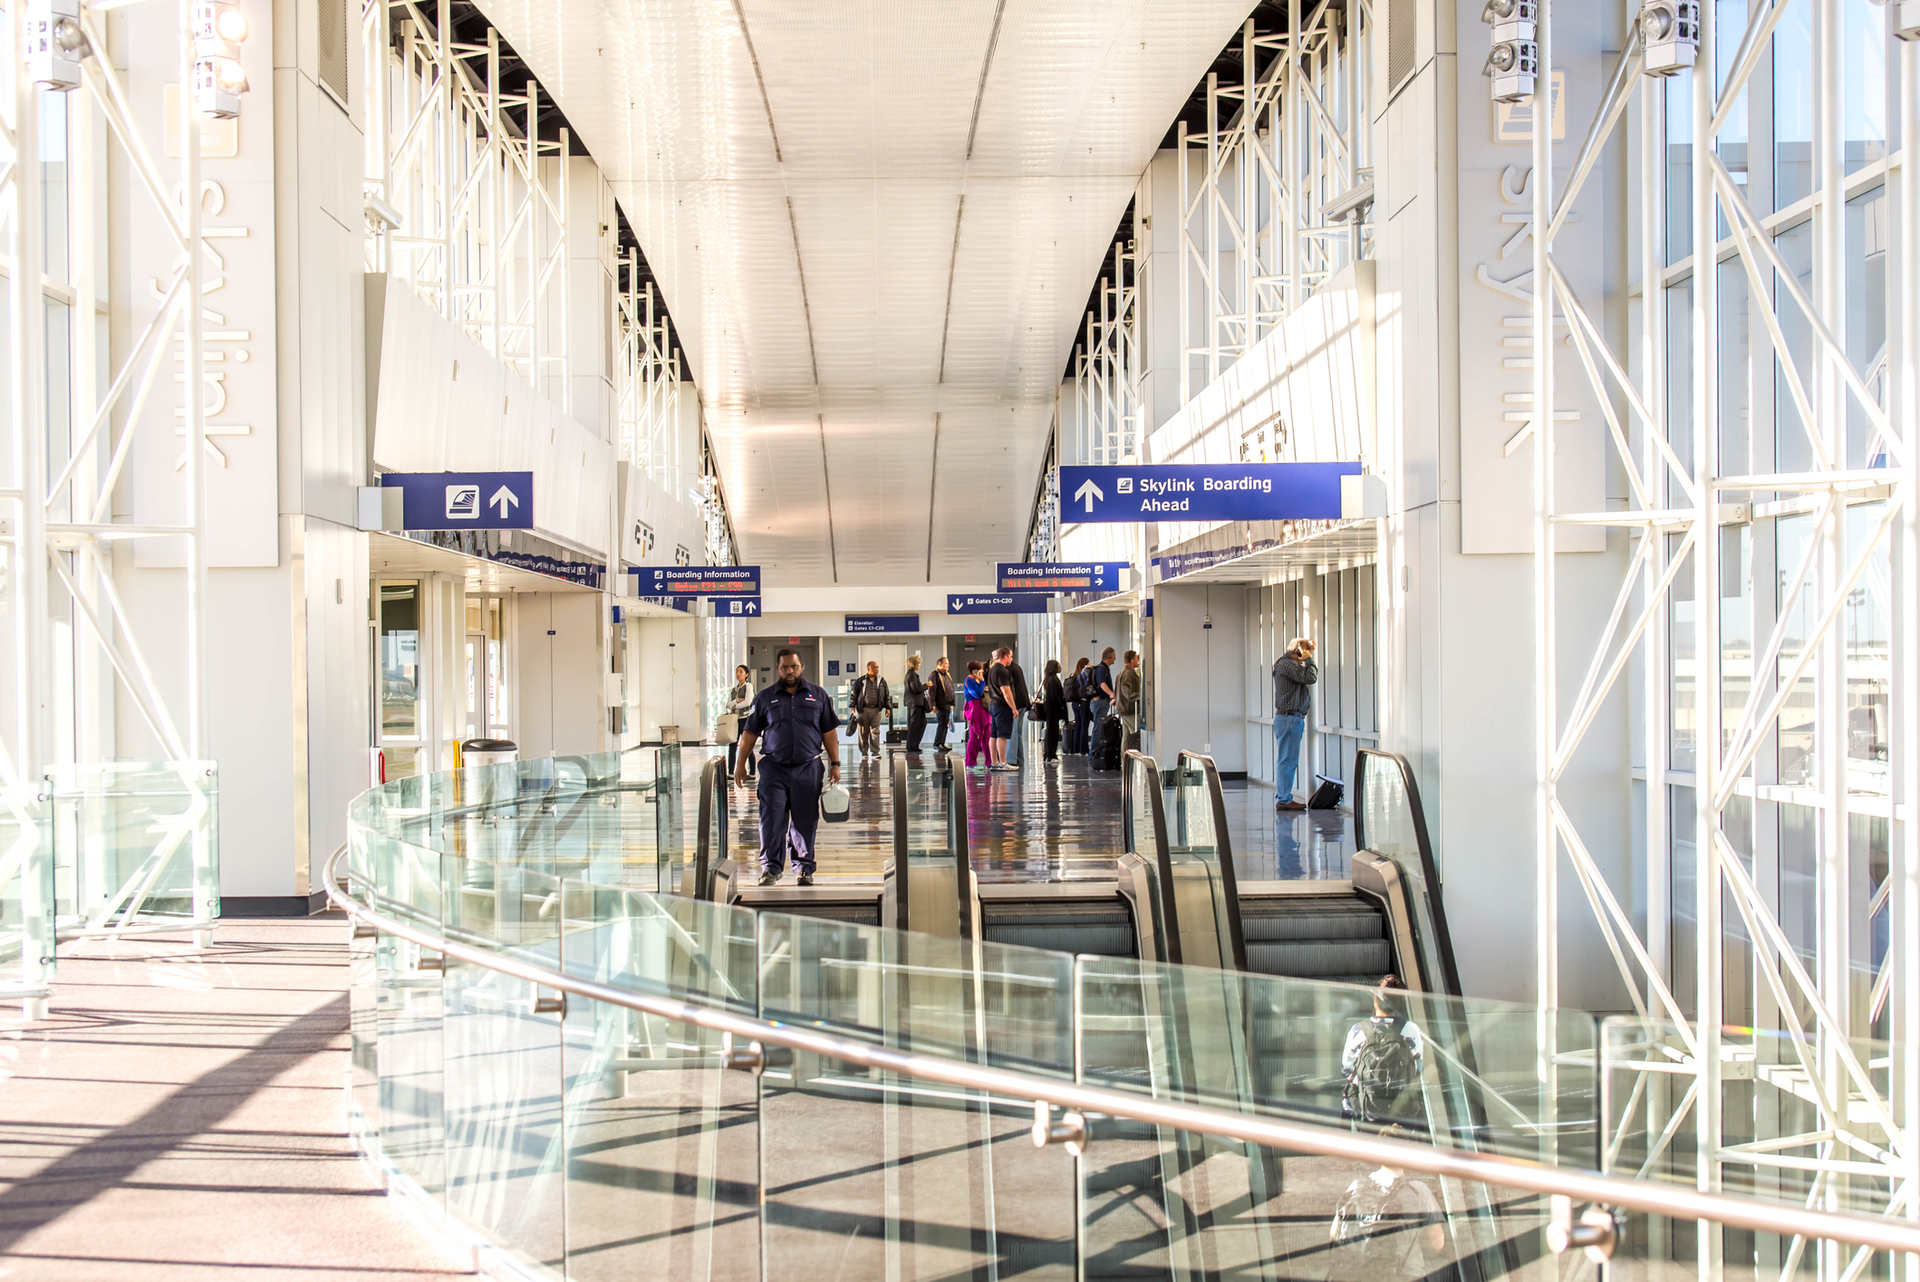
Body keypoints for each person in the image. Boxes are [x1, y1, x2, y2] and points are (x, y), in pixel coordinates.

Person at [733, 649, 841, 886]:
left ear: (801, 666)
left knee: (805, 820)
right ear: (778, 668)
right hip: (774, 770)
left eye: (793, 666)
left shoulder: (818, 695)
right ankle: (771, 868)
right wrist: (740, 764)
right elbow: (750, 733)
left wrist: (835, 764)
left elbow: (829, 732)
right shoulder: (765, 697)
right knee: (771, 819)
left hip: (808, 768)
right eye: (784, 667)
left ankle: (803, 868)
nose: (790, 671)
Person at [1325, 1124, 1448, 1280]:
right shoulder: (1418, 1190)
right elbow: (1437, 1243)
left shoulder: (1356, 1186)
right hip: (1404, 1276)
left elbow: (1334, 1233)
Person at [1341, 975, 1425, 1126]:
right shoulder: (1411, 1030)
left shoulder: (1358, 1030)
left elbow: (1347, 1069)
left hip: (1365, 1110)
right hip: (1400, 1114)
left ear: (1375, 1000)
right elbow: (1417, 1069)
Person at [1273, 636, 1318, 810]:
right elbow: (1311, 677)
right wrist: (1309, 660)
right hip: (1290, 719)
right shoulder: (1288, 665)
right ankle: (1284, 800)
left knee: (1286, 759)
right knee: (1287, 761)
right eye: (1305, 649)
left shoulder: (1284, 664)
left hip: (1288, 719)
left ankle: (1284, 797)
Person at [850, 660, 891, 758]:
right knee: (863, 731)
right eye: (874, 667)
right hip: (863, 710)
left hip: (876, 710)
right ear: (868, 669)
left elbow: (886, 695)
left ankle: (875, 751)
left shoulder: (881, 681)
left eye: (877, 667)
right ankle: (864, 752)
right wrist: (852, 706)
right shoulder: (860, 681)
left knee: (875, 731)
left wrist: (888, 707)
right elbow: (854, 694)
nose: (876, 669)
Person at [987, 646, 1020, 771]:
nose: (1011, 659)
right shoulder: (1003, 671)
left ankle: (994, 762)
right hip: (1002, 705)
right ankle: (1002, 762)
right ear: (1005, 656)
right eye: (1010, 656)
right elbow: (1006, 691)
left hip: (993, 704)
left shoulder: (992, 670)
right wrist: (1014, 708)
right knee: (1002, 735)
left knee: (994, 734)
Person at [725, 664, 755, 781]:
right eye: (737, 671)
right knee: (732, 745)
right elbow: (728, 704)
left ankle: (752, 772)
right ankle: (731, 772)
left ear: (746, 674)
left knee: (747, 746)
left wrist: (735, 705)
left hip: (745, 719)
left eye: (741, 672)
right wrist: (737, 700)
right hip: (734, 720)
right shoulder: (734, 690)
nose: (738, 674)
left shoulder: (748, 686)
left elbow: (748, 702)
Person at [1087, 647, 1116, 760]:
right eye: (1114, 656)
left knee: (1099, 727)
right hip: (1099, 702)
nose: (1115, 658)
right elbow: (1102, 683)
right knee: (1098, 728)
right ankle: (1093, 755)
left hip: (1100, 702)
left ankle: (1095, 753)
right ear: (1108, 657)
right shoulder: (1101, 669)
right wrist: (1111, 694)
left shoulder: (1104, 669)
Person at [1005, 648, 1032, 767]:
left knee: (1012, 732)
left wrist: (1011, 705)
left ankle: (1012, 759)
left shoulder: (1007, 669)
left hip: (1015, 703)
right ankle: (1020, 758)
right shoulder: (1017, 667)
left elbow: (1008, 689)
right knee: (1018, 732)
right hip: (1023, 703)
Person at [962, 661, 991, 771]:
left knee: (986, 737)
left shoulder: (974, 680)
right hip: (975, 710)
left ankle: (990, 761)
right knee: (975, 736)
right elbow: (977, 694)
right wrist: (982, 682)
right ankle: (970, 762)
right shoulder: (969, 681)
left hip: (982, 710)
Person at [1040, 659, 1068, 763]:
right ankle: (1051, 755)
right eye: (1058, 666)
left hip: (1050, 708)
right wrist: (1061, 706)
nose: (1060, 668)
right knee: (1053, 731)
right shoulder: (1053, 680)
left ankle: (1049, 754)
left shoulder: (1048, 679)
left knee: (1051, 731)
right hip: (1053, 709)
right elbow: (1054, 696)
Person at [1116, 650, 1142, 752]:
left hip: (1123, 709)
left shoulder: (1122, 672)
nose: (1137, 661)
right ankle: (1135, 760)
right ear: (1132, 660)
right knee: (1135, 736)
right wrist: (1138, 696)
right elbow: (1126, 691)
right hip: (1130, 709)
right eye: (1136, 658)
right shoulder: (1128, 673)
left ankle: (1125, 761)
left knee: (1126, 737)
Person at [903, 654, 929, 753]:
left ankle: (913, 745)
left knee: (919, 723)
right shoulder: (913, 675)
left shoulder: (909, 674)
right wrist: (926, 685)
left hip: (914, 703)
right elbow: (916, 689)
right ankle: (912, 746)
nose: (920, 665)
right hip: (915, 703)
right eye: (918, 663)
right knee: (915, 725)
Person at [1067, 657, 1092, 755]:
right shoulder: (1084, 675)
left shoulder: (1073, 675)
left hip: (1075, 703)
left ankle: (1076, 749)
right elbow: (1087, 688)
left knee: (1077, 726)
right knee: (1084, 726)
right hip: (1083, 702)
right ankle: (1083, 750)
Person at [929, 656, 955, 751]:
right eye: (946, 663)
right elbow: (932, 691)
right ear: (940, 664)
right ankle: (937, 743)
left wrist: (951, 704)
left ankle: (942, 743)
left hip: (947, 704)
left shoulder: (947, 675)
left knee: (945, 724)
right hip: (940, 704)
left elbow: (950, 689)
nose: (948, 665)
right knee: (941, 723)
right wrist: (933, 705)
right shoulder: (934, 675)